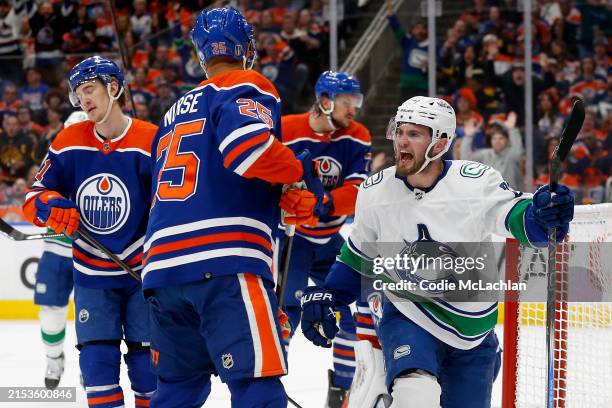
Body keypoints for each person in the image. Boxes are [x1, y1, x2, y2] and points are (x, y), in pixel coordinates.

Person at [299, 96, 575, 408]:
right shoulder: (375, 190)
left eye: (414, 134)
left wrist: (543, 215)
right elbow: (358, 257)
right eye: (399, 131)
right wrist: (329, 295)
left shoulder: (473, 181)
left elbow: (518, 219)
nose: (402, 141)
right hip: (407, 312)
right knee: (415, 395)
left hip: (473, 330)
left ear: (441, 143)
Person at [142, 7, 324, 408]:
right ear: (247, 48)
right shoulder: (246, 83)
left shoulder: (170, 115)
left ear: (200, 51)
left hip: (161, 270)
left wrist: (277, 198)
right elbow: (246, 151)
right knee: (257, 388)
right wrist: (296, 174)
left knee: (178, 391)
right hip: (225, 261)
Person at [22, 56, 158, 408]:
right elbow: (34, 196)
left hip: (142, 272)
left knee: (148, 373)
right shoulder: (69, 140)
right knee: (97, 371)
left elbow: (172, 205)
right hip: (92, 274)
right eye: (78, 93)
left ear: (113, 88)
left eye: (89, 89)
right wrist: (51, 206)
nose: (84, 100)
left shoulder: (150, 140)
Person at [279, 70, 371, 407]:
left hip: (331, 239)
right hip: (292, 240)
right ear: (326, 101)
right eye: (349, 102)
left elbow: (357, 189)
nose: (354, 109)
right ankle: (272, 391)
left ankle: (342, 393)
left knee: (350, 315)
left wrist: (320, 202)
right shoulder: (286, 128)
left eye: (356, 102)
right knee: (283, 315)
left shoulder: (358, 135)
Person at [33, 110, 87, 390]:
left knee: (91, 316)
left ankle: (90, 365)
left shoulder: (104, 160)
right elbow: (36, 197)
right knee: (50, 313)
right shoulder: (54, 160)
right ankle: (54, 358)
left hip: (90, 255)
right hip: (56, 251)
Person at [460, 111, 524, 190]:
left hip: (512, 197)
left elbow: (518, 152)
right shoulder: (485, 153)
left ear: (507, 140)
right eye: (494, 138)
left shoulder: (512, 153)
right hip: (490, 197)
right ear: (490, 140)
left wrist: (512, 129)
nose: (497, 141)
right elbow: (466, 160)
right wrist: (468, 137)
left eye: (501, 138)